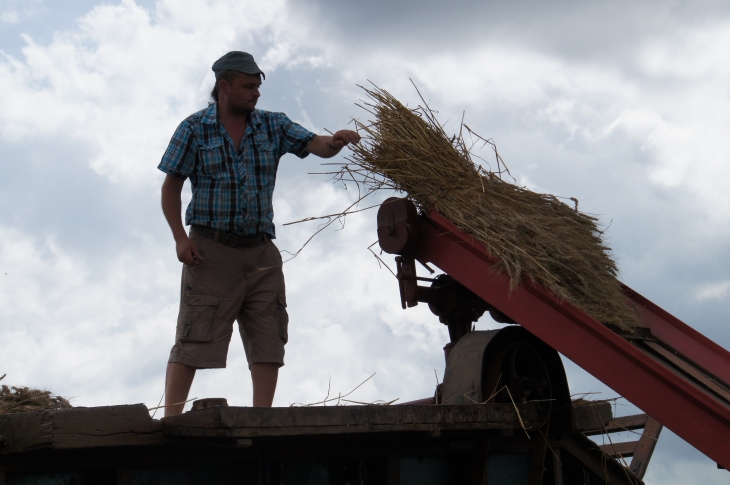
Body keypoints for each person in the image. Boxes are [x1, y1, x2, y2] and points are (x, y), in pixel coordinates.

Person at [157, 51, 360, 416]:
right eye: (248, 86)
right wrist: (180, 238)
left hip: (261, 251)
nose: (256, 94)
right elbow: (171, 187)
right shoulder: (194, 129)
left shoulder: (272, 125)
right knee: (195, 332)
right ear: (224, 87)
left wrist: (336, 141)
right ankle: (170, 416)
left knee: (269, 333)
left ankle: (262, 418)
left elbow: (316, 144)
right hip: (211, 249)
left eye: (258, 87)